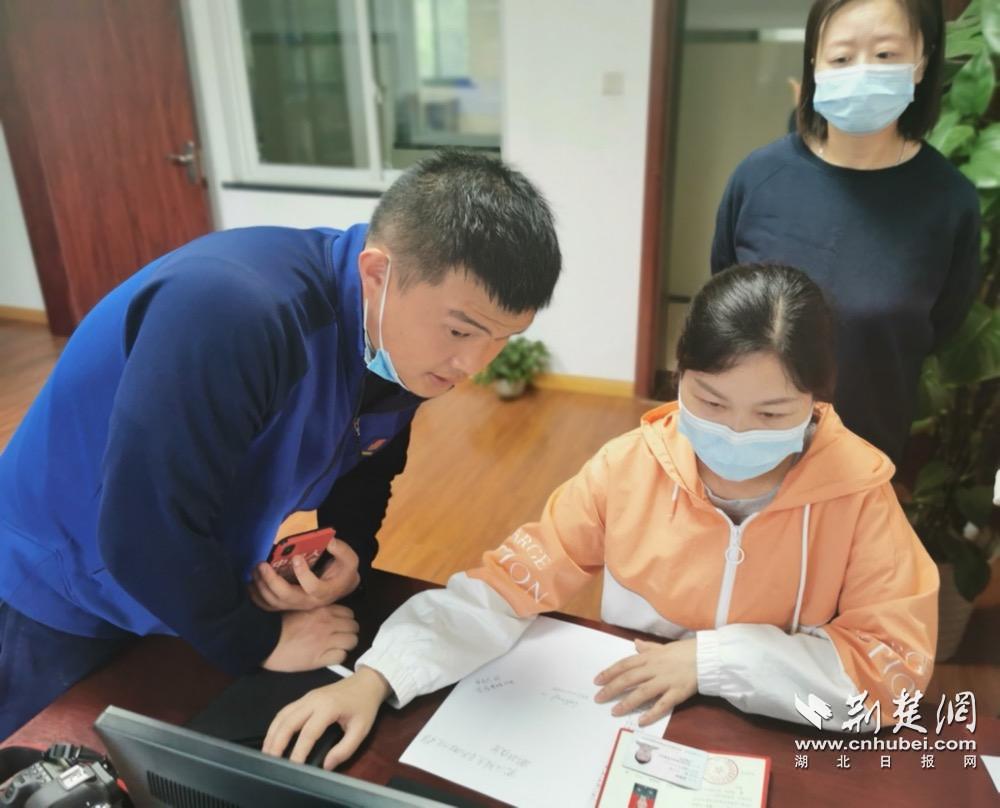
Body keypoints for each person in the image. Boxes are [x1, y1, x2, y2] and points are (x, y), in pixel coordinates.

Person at [262, 264, 938, 770]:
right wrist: (380, 676)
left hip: (778, 735)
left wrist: (715, 661)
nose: (736, 432)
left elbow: (892, 671)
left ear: (818, 402)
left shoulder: (859, 495)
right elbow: (507, 585)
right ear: (677, 375)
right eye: (709, 401)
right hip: (630, 719)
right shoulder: (628, 468)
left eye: (771, 413)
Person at [0, 151, 562, 738]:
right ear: (377, 273)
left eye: (502, 338)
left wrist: (349, 550)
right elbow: (142, 530)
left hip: (186, 574)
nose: (473, 364)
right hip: (62, 579)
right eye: (461, 330)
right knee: (42, 760)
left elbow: (370, 460)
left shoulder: (398, 338)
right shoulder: (234, 313)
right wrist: (259, 641)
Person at [711, 0, 980, 464]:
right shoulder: (758, 178)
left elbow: (940, 324)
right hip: (743, 449)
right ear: (814, 64)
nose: (862, 72)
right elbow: (724, 298)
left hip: (865, 457)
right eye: (841, 57)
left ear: (922, 61)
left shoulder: (949, 200)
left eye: (886, 54)